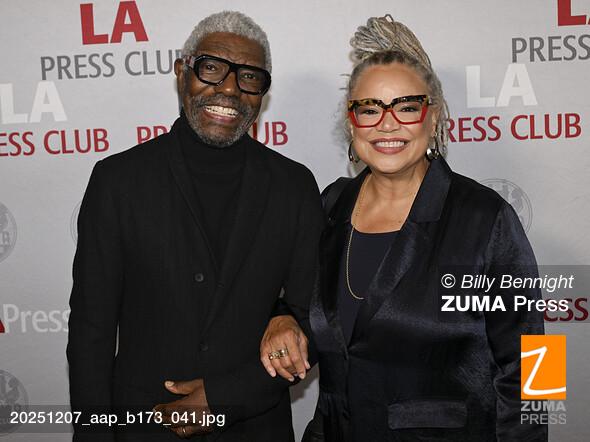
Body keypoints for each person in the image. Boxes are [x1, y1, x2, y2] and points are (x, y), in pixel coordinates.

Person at [260, 14, 547, 442]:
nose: (387, 123)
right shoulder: (332, 205)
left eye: (407, 107)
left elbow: (537, 362)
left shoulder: (485, 218)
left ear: (433, 118)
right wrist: (280, 316)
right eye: (369, 109)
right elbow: (305, 305)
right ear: (351, 122)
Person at [67, 10, 323, 442]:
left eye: (249, 77)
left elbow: (315, 322)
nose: (229, 88)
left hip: (254, 428)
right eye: (212, 68)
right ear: (181, 72)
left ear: (262, 92)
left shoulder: (294, 186)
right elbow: (91, 330)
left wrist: (225, 397)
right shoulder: (118, 181)